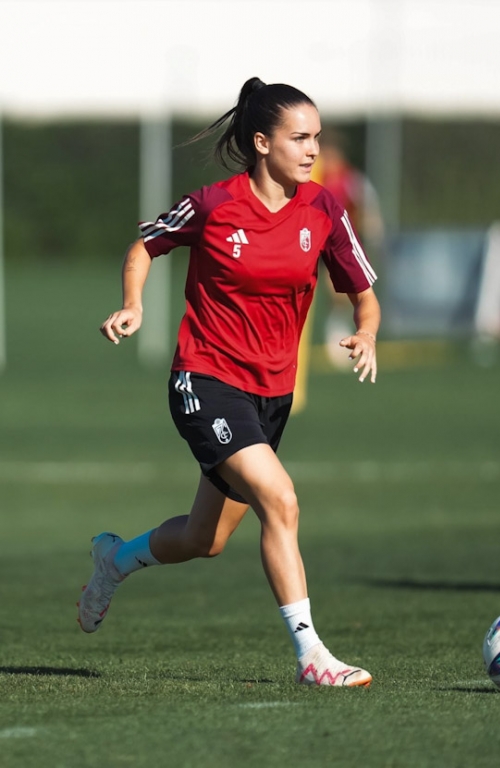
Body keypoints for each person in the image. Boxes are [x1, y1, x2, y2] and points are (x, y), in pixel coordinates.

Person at [78, 77, 380, 688]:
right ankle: (312, 658)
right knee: (282, 499)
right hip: (205, 379)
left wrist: (366, 333)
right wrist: (132, 303)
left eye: (317, 137)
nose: (313, 149)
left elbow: (364, 297)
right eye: (300, 138)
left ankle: (113, 560)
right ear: (262, 143)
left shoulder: (323, 209)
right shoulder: (215, 204)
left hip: (272, 395)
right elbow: (145, 245)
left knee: (203, 539)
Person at [311, 132, 384, 368]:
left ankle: (337, 331)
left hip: (339, 243)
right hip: (313, 240)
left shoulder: (348, 177)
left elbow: (367, 202)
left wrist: (372, 227)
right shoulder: (313, 176)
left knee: (340, 293)